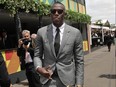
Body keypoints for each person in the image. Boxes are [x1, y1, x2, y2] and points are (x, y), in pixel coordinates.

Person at [34, 2, 84, 87]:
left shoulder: (75, 33)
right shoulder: (41, 32)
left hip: (67, 81)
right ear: (50, 14)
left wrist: (79, 83)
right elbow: (37, 55)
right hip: (48, 80)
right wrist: (39, 68)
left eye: (60, 11)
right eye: (53, 11)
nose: (56, 13)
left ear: (64, 13)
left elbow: (79, 60)